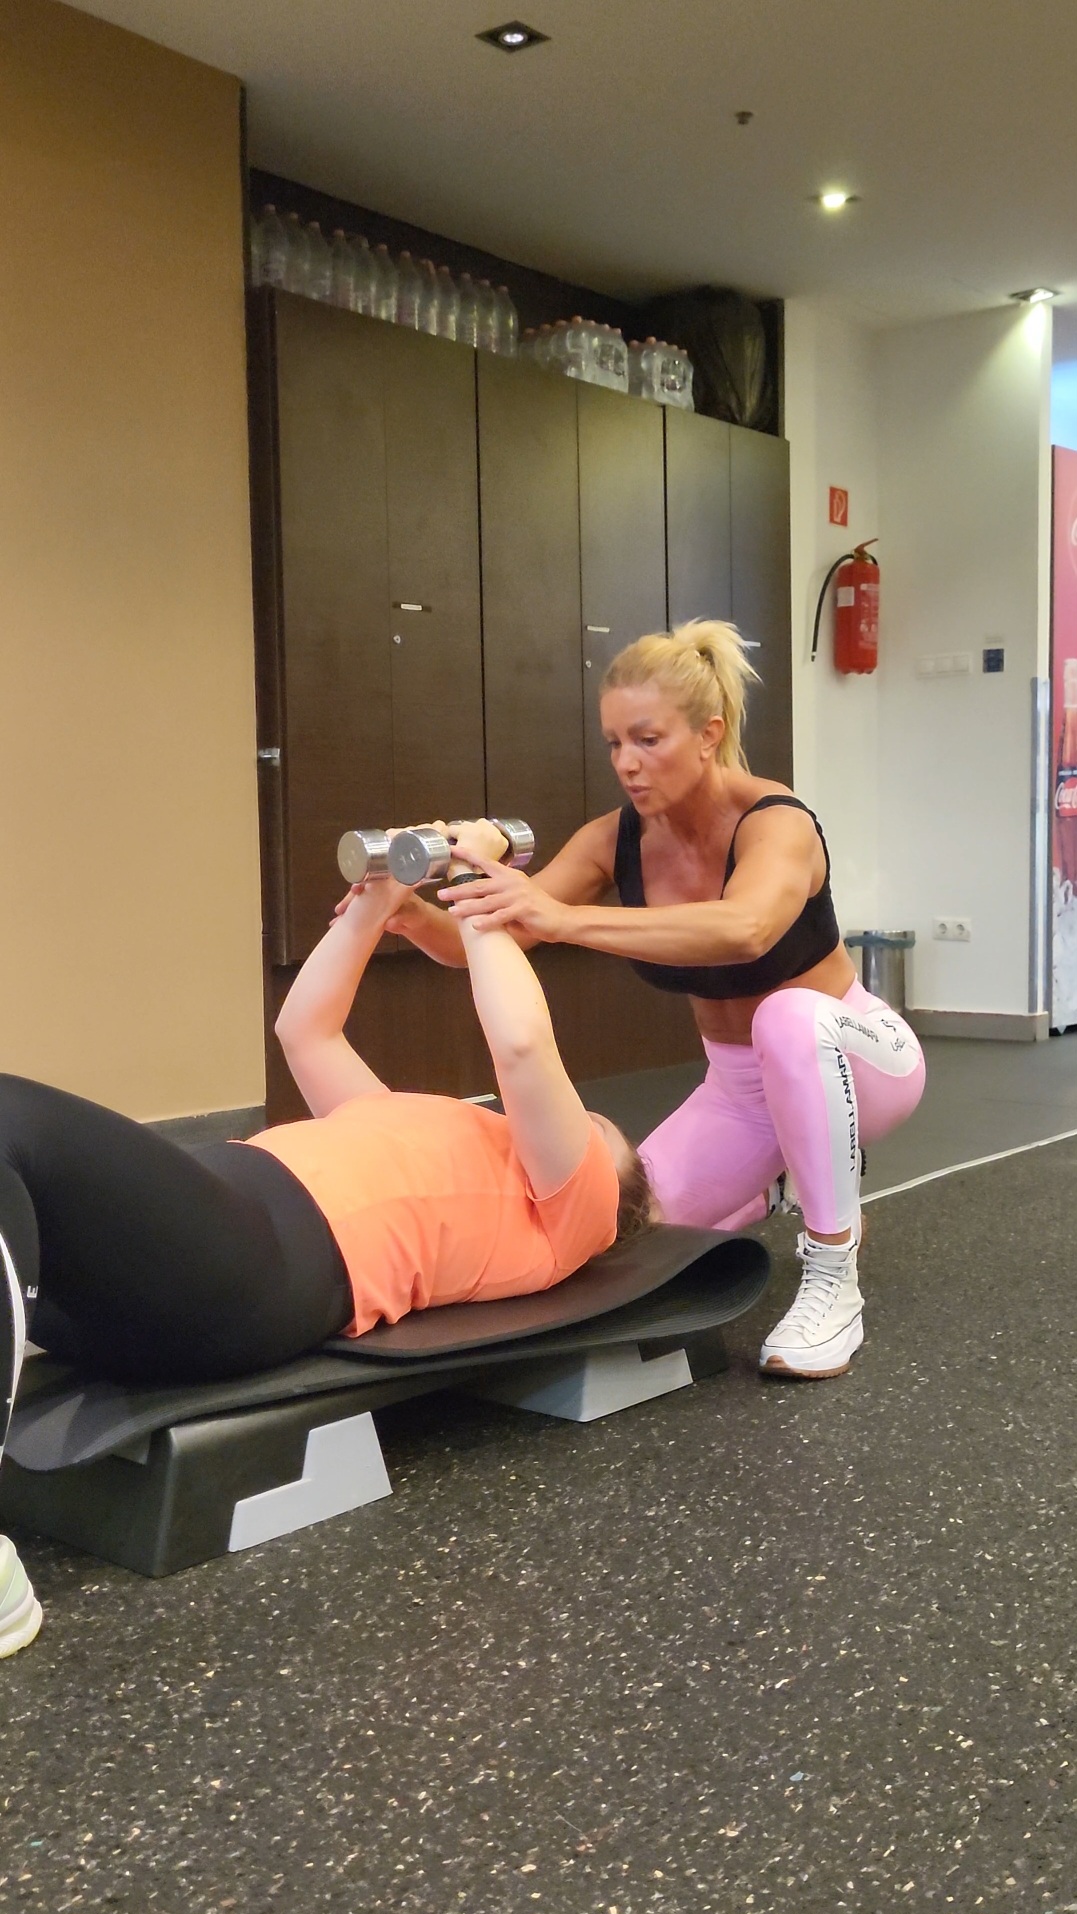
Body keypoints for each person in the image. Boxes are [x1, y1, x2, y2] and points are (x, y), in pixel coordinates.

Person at [0, 820, 655, 1654]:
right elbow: (305, 1032)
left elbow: (523, 1046)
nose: (579, 1119)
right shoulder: (413, 1118)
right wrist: (376, 902)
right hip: (186, 1243)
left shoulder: (575, 1212)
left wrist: (480, 877)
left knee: (7, 1123)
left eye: (597, 1127)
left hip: (257, 1260)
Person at [387, 623, 926, 1384]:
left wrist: (564, 919)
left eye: (647, 739)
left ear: (707, 735)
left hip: (861, 1056)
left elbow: (745, 928)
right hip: (742, 1094)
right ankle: (772, 1175)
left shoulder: (777, 822)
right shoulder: (615, 840)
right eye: (613, 744)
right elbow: (482, 937)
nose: (627, 765)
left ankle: (832, 1276)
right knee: (622, 1235)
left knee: (786, 1016)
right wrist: (408, 911)